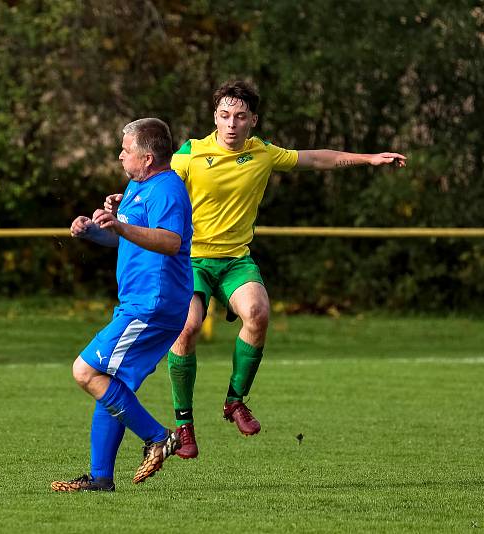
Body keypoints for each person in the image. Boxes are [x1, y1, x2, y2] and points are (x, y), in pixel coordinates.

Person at [105, 80, 407, 458]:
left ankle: (235, 401)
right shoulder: (191, 154)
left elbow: (315, 158)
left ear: (253, 120)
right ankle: (184, 425)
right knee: (188, 327)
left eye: (240, 116)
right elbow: (155, 180)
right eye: (224, 115)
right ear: (215, 117)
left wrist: (369, 159)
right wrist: (127, 200)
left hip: (234, 259)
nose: (231, 123)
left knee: (259, 313)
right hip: (192, 259)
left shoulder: (262, 154)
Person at [51, 118, 193, 492]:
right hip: (141, 301)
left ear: (147, 158)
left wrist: (120, 225)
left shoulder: (167, 189)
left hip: (153, 303)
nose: (120, 155)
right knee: (111, 385)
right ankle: (101, 479)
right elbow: (126, 238)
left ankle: (158, 437)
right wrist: (94, 231)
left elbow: (170, 241)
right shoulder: (137, 185)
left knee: (85, 372)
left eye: (126, 150)